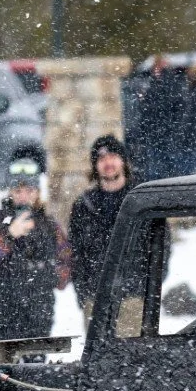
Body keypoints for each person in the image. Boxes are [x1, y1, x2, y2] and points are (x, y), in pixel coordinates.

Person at [0, 158, 71, 341]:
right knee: (5, 367)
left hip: (39, 314)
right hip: (3, 312)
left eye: (29, 190)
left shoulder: (50, 226)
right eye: (18, 190)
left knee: (36, 367)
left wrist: (47, 275)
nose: (23, 196)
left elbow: (66, 261)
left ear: (38, 192)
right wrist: (9, 235)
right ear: (10, 191)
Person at [67, 134, 132, 320]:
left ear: (123, 161)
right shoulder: (83, 205)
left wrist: (143, 287)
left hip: (134, 300)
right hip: (95, 299)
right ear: (95, 165)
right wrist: (83, 291)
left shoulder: (140, 198)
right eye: (102, 158)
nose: (108, 163)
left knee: (134, 350)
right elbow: (75, 252)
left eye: (113, 156)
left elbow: (160, 245)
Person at [132, 55, 185, 183]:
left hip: (161, 135)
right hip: (162, 136)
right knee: (166, 170)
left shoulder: (162, 84)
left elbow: (153, 109)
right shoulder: (169, 84)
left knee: (159, 172)